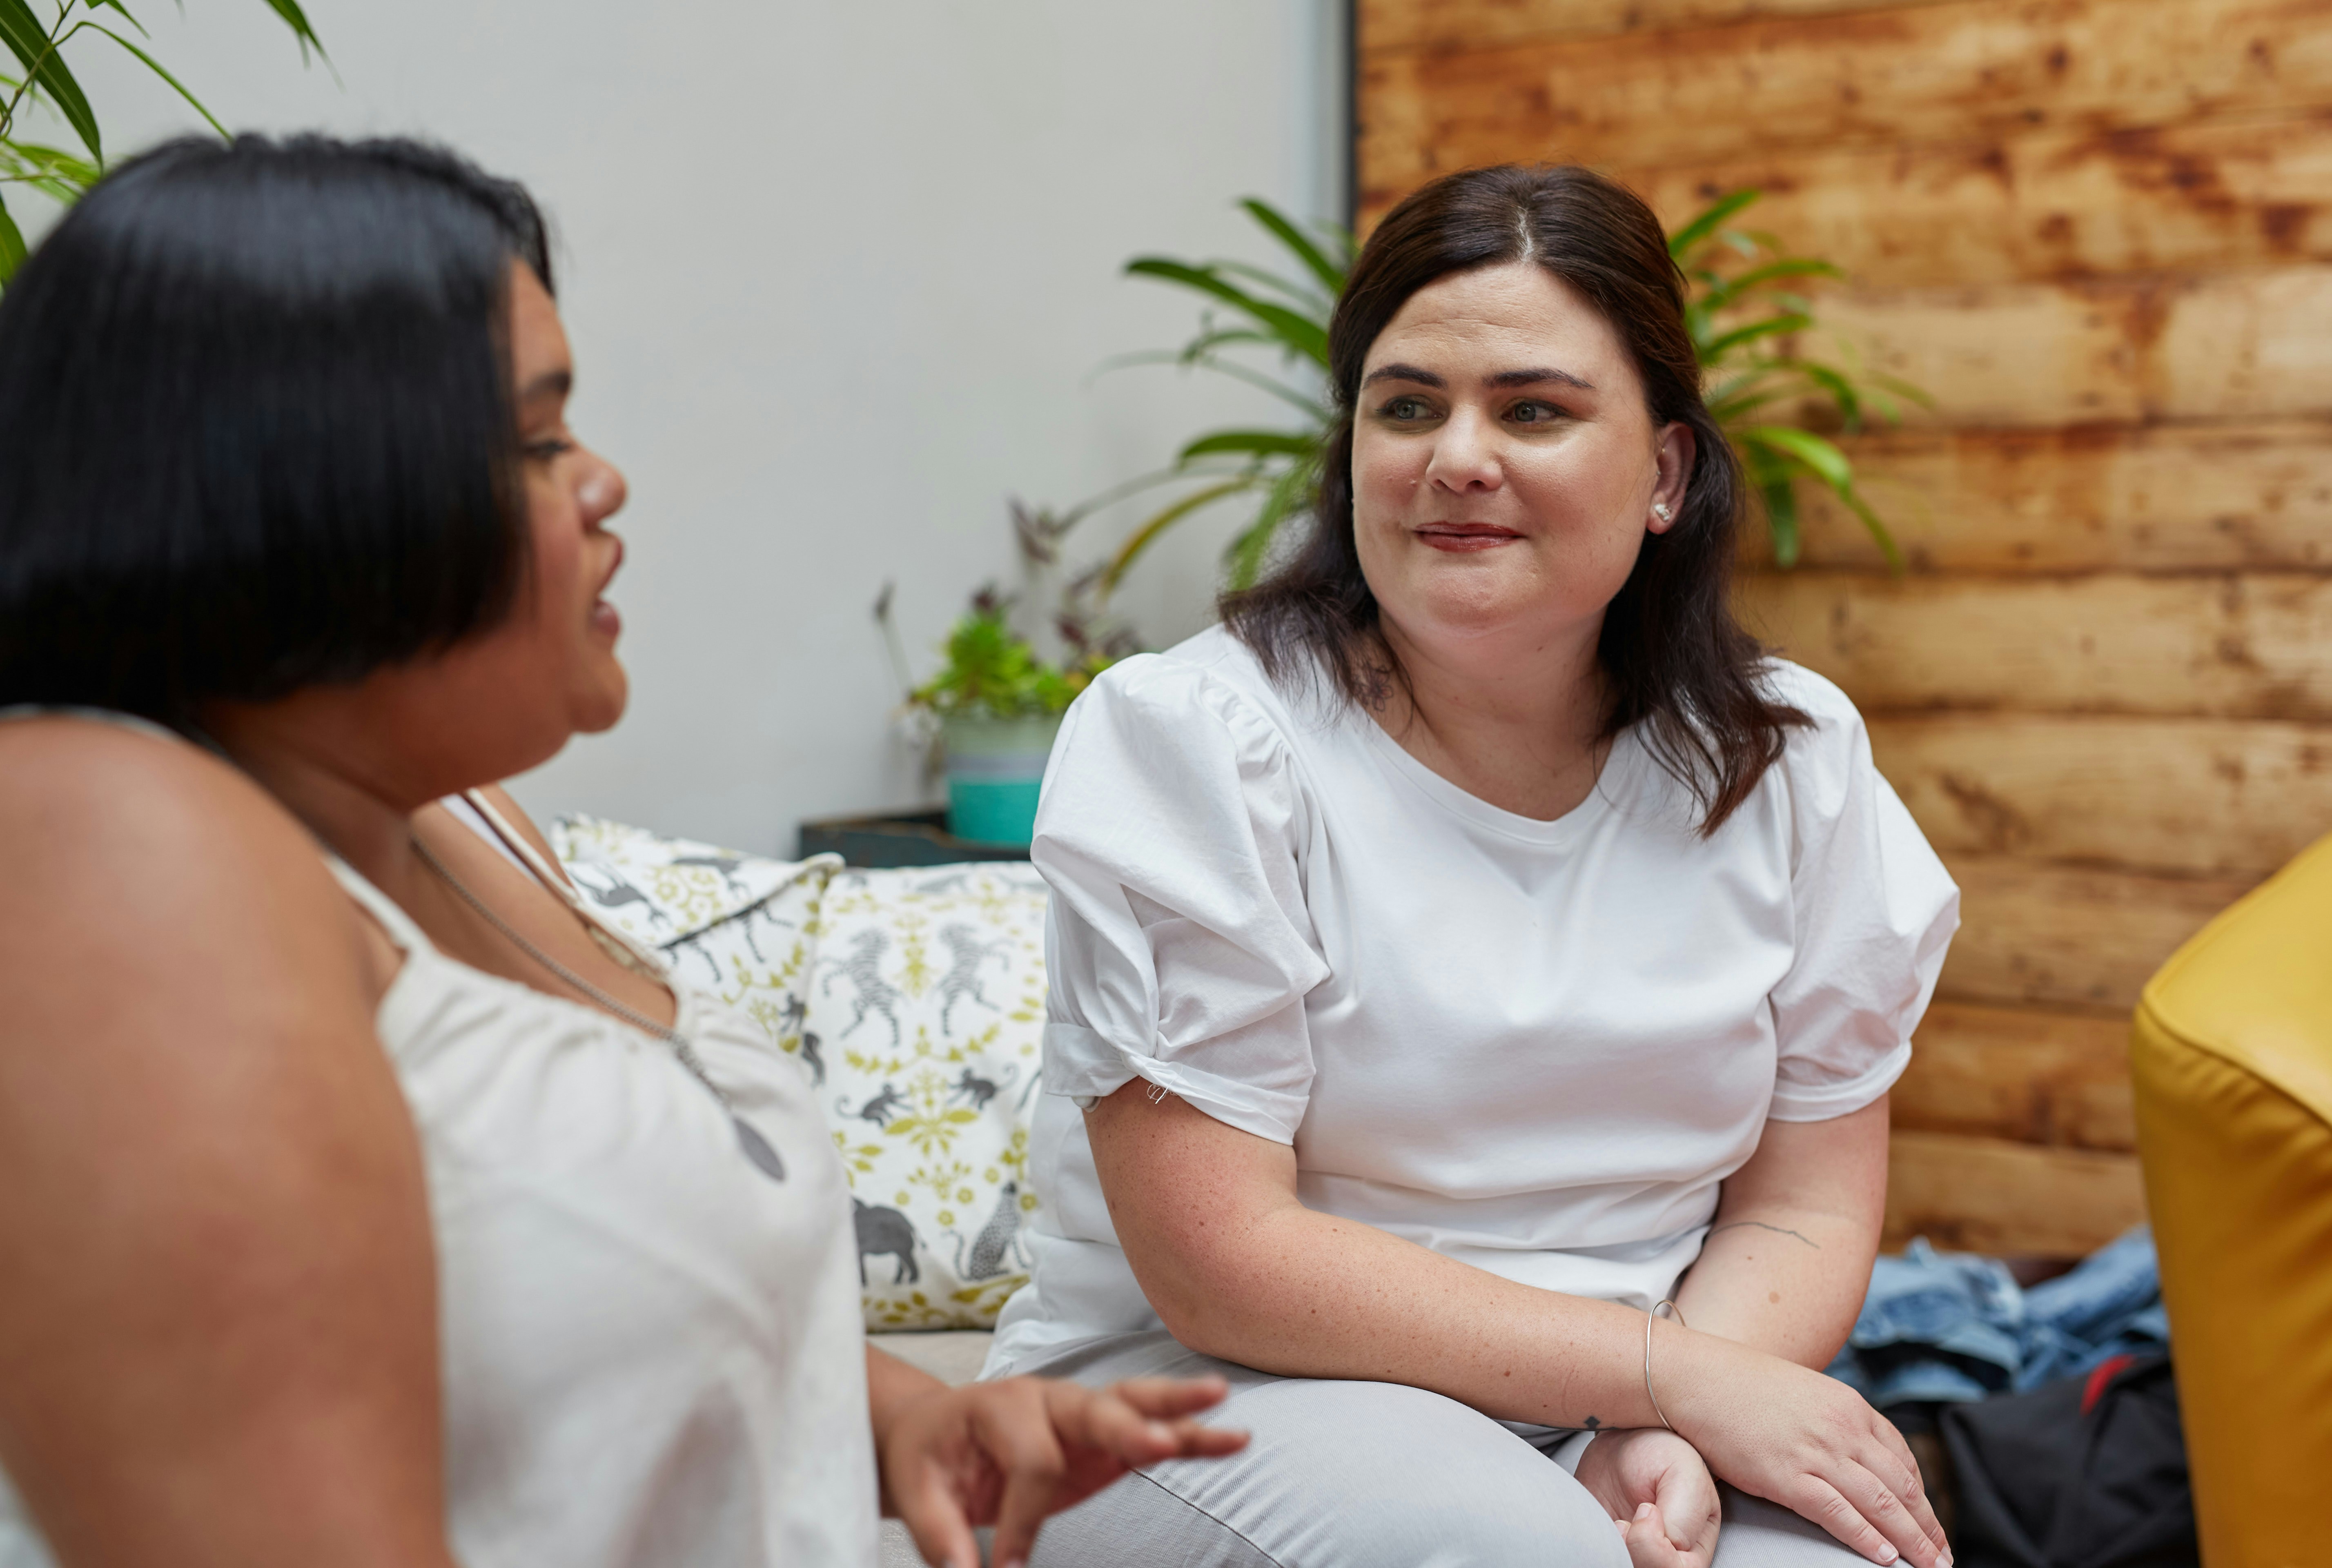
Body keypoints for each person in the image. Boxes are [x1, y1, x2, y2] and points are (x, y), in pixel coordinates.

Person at [0, 134, 1243, 1568]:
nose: (604, 485)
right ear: (299, 480)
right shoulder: (110, 844)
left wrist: (903, 1424)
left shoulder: (461, 821)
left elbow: (559, 1302)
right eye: (535, 441)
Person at [982, 163, 1963, 1568]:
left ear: (1667, 473)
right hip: (1205, 1397)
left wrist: (1670, 1422)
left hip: (1633, 1396)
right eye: (1407, 406)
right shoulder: (1197, 739)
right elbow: (1221, 1262)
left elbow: (1803, 1203)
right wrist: (1661, 1380)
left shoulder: (1794, 759)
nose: (1456, 457)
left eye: (1534, 409)